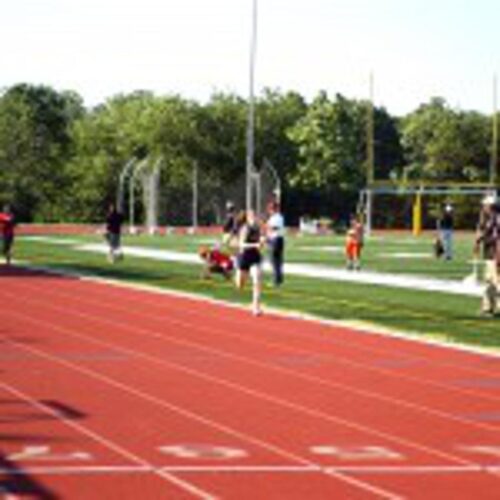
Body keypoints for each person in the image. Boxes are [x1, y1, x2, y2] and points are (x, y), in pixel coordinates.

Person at [474, 195, 500, 317]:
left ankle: (489, 307)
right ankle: (488, 308)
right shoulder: (489, 218)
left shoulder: (496, 218)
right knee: (489, 281)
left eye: (485, 205)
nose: (483, 207)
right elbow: (483, 232)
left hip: (495, 253)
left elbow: (497, 237)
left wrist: (479, 239)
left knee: (496, 282)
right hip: (490, 253)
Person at [236, 210, 264, 316]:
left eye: (254, 215)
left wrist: (262, 240)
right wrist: (255, 245)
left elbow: (261, 238)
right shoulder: (245, 229)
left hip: (255, 257)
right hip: (244, 257)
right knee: (240, 285)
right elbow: (241, 245)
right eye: (251, 216)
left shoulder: (258, 228)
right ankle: (239, 273)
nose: (254, 217)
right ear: (247, 218)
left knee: (257, 281)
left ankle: (255, 307)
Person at [266, 201, 285, 286]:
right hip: (274, 239)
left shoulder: (278, 217)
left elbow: (275, 228)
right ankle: (279, 279)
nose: (271, 210)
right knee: (276, 260)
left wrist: (266, 226)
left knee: (275, 260)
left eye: (272, 209)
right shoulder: (273, 217)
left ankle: (276, 280)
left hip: (276, 239)